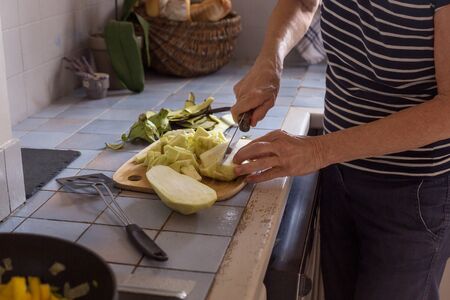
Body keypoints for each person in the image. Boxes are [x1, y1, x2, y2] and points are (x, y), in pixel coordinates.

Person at [230, 0, 450, 299]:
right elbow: (303, 4)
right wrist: (270, 60)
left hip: (414, 194)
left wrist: (318, 151)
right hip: (339, 173)